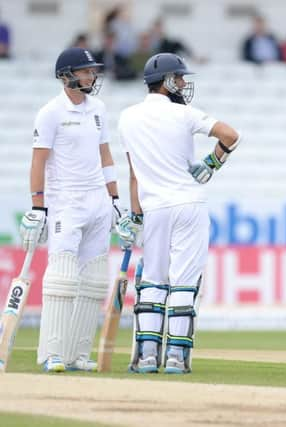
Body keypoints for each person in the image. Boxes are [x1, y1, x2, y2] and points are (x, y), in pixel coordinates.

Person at [117, 53, 240, 374]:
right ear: (168, 81)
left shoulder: (127, 117)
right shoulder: (184, 114)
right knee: (185, 282)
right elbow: (231, 135)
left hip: (154, 208)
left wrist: (135, 216)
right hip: (189, 204)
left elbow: (133, 175)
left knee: (153, 282)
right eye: (181, 78)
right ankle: (175, 356)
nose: (184, 84)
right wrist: (211, 164)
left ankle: (146, 356)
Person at [19, 47, 122, 372]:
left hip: (98, 203)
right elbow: (38, 161)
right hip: (67, 202)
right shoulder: (50, 112)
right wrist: (39, 206)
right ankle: (52, 354)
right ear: (67, 76)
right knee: (62, 278)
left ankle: (77, 355)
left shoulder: (99, 109)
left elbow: (105, 155)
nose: (92, 75)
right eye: (85, 71)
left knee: (93, 281)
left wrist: (115, 199)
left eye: (92, 70)